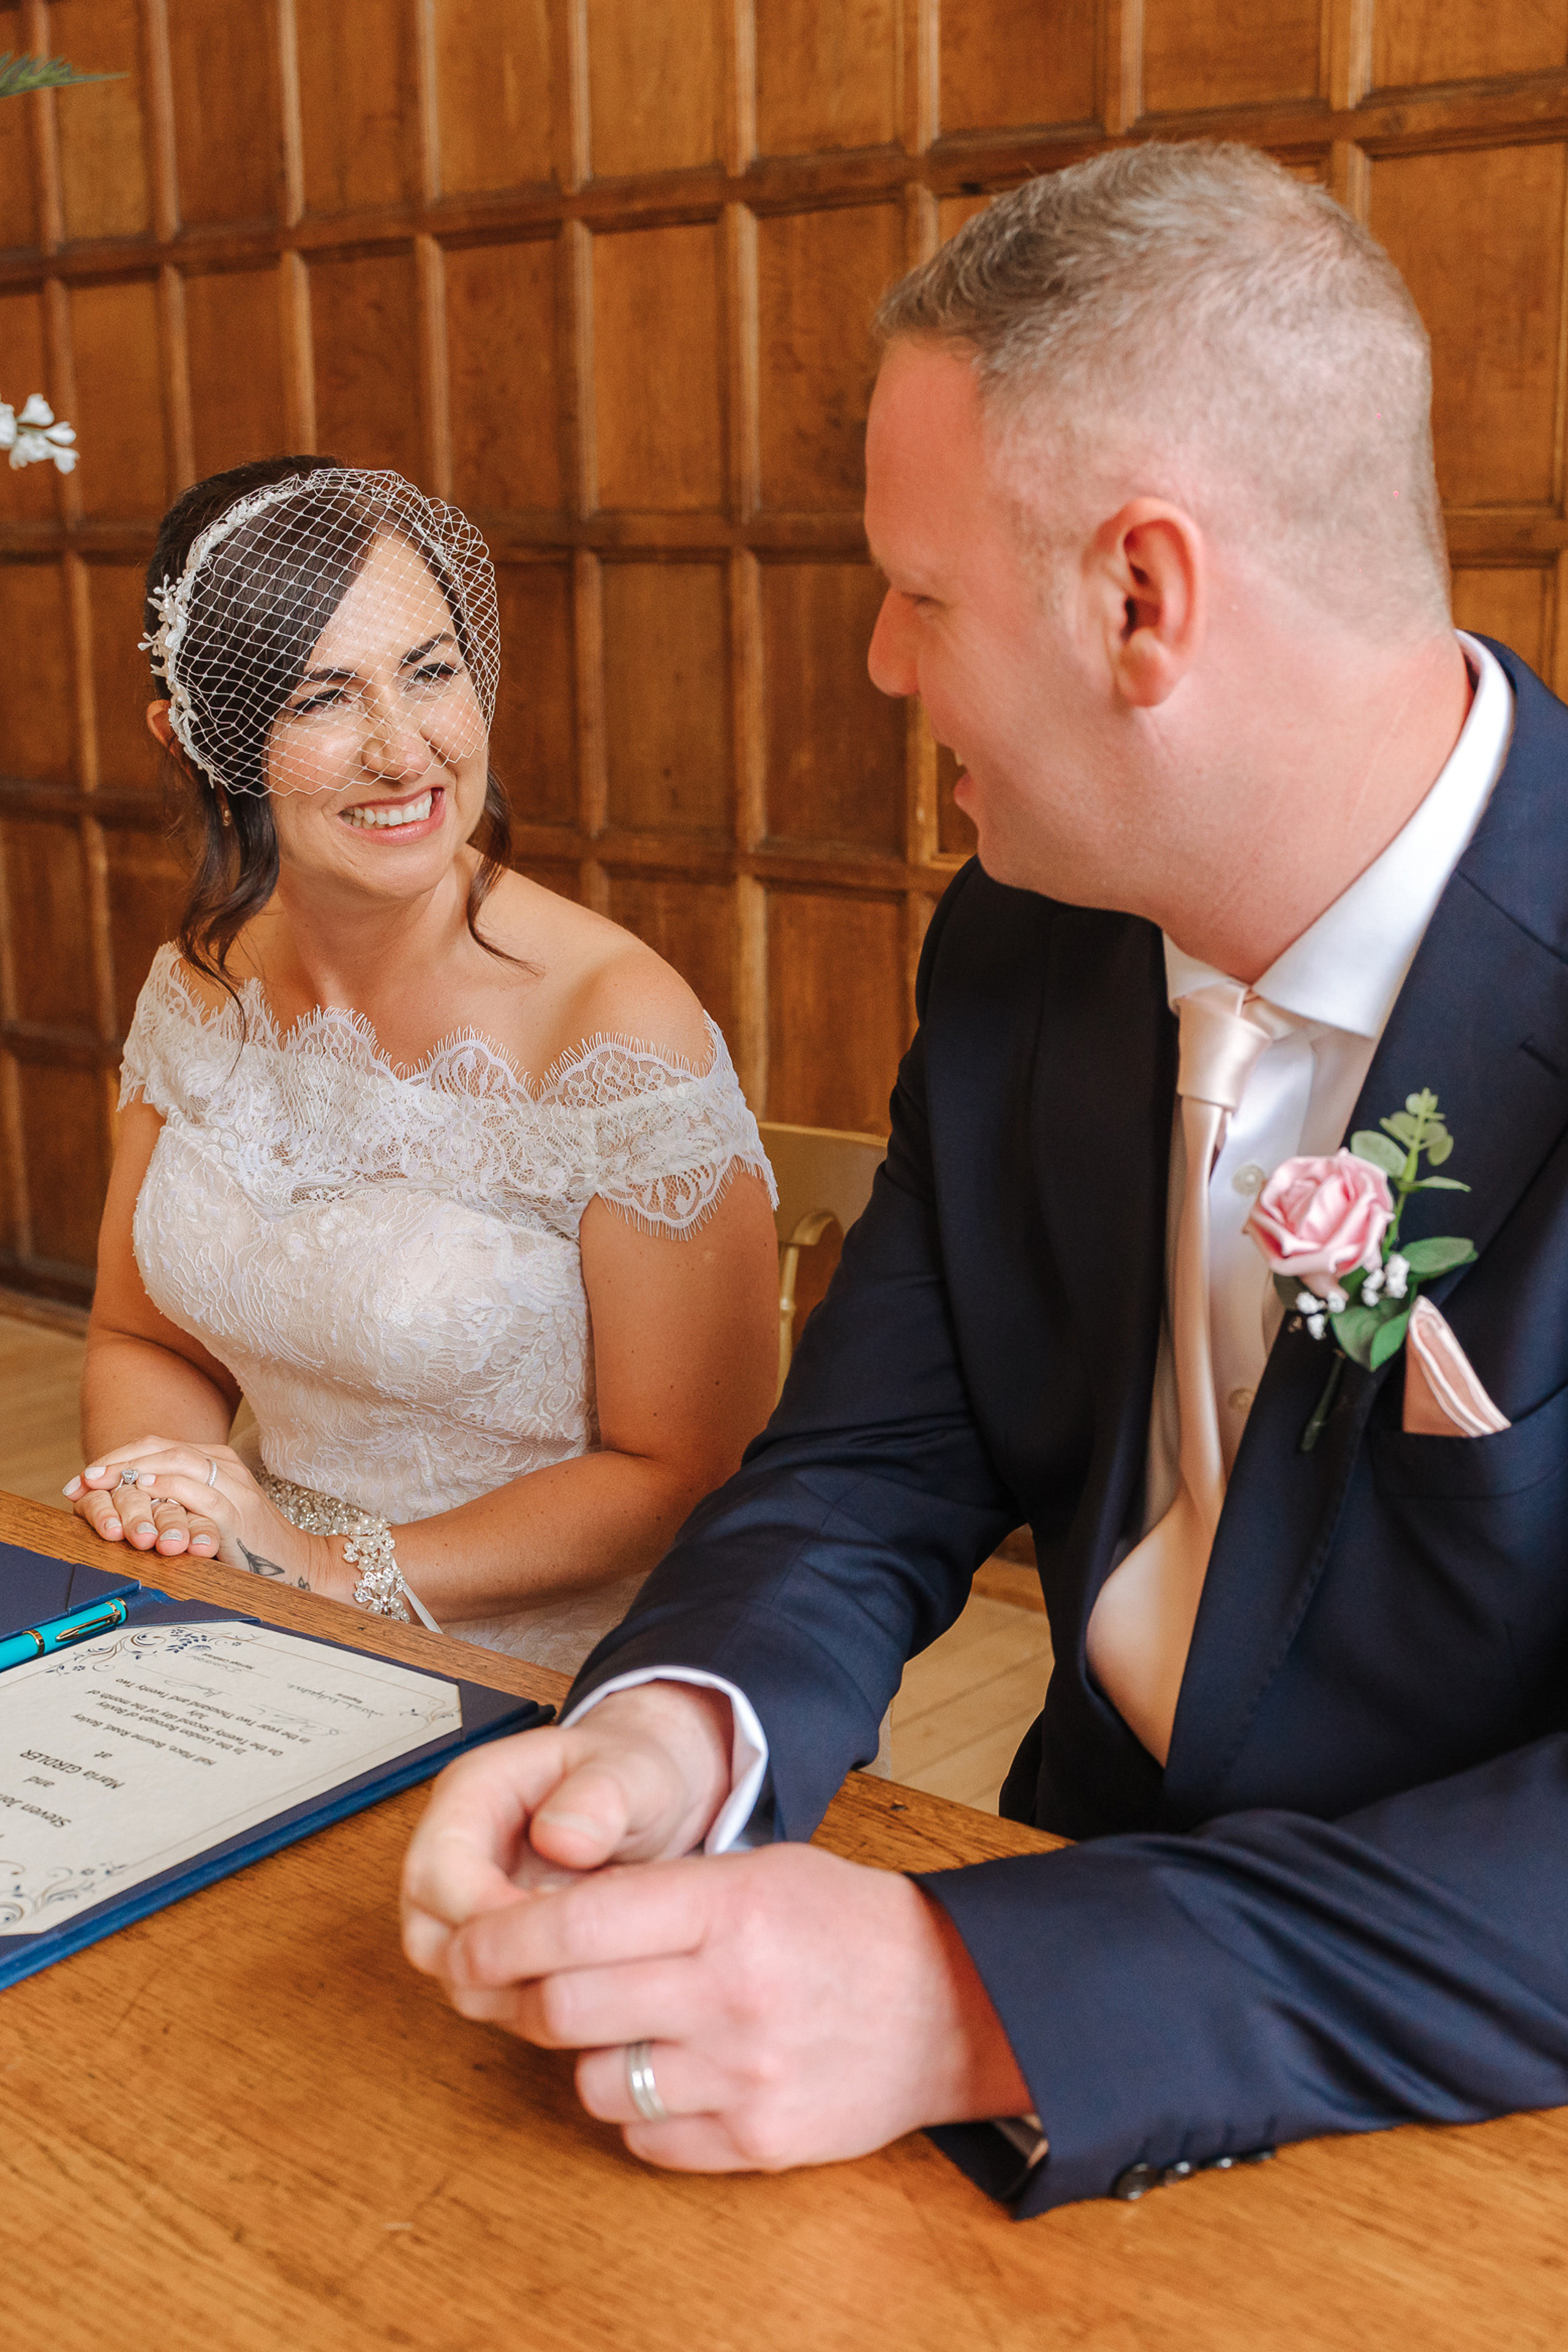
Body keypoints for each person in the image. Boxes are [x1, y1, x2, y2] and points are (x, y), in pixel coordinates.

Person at [400, 142, 1568, 2209]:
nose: (879, 659)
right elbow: (871, 1457)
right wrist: (679, 1733)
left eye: (920, 593)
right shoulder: (1027, 937)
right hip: (1031, 2003)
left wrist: (967, 1992)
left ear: (1145, 598)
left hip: (1472, 2110)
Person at [68, 458, 778, 1673]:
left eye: (430, 671)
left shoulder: (614, 1028)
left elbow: (683, 1472)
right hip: (253, 1617)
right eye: (320, 699)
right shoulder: (196, 986)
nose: (405, 751)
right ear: (199, 738)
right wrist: (170, 1502)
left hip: (564, 1682)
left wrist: (337, 1570)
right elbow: (148, 1341)